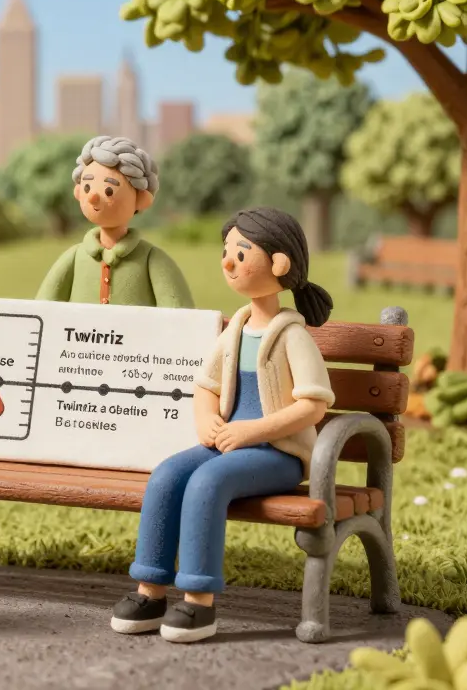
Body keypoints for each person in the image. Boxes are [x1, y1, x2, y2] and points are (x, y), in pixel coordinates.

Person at [109, 207, 335, 643]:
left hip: (278, 455)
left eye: (241, 252)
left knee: (207, 483)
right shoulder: (236, 330)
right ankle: (150, 590)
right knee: (168, 475)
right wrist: (206, 418)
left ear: (280, 264)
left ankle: (198, 603)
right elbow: (205, 384)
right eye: (227, 251)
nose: (228, 261)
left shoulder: (293, 337)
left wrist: (252, 431)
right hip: (227, 444)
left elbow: (312, 407)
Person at [35, 135, 193, 308]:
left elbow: (178, 308)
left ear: (141, 199)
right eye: (87, 187)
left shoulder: (150, 259)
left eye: (109, 190)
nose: (93, 196)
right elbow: (44, 304)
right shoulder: (75, 257)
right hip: (80, 335)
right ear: (78, 191)